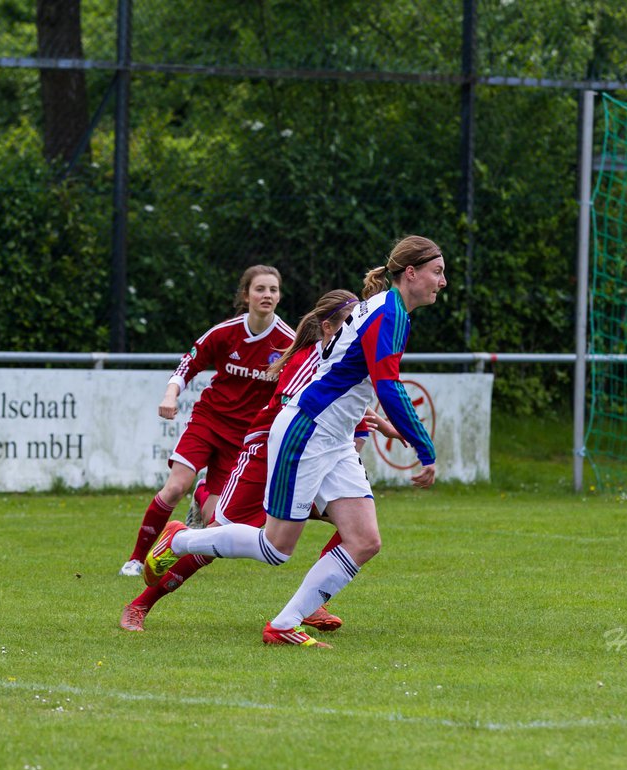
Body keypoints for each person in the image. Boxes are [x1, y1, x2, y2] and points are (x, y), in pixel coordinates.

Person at [145, 235, 445, 647]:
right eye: (437, 271)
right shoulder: (388, 313)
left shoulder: (389, 310)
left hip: (333, 437)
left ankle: (285, 624)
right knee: (276, 548)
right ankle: (179, 538)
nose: (442, 282)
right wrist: (423, 446)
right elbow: (388, 385)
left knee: (364, 540)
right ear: (411, 273)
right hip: (309, 429)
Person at [118, 289, 403, 632]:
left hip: (312, 459)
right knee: (217, 539)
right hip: (269, 455)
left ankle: (312, 603)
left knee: (359, 531)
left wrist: (377, 423)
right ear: (329, 328)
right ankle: (140, 604)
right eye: (351, 323)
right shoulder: (308, 358)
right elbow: (303, 402)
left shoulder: (341, 356)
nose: (358, 331)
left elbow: (339, 396)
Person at [118, 265, 295, 577]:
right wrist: (170, 395)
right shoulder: (224, 333)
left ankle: (202, 494)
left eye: (273, 290)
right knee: (174, 488)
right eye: (260, 289)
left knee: (218, 519)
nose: (267, 295)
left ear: (279, 296)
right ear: (246, 295)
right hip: (209, 422)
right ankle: (135, 559)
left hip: (244, 438)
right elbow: (188, 365)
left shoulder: (288, 342)